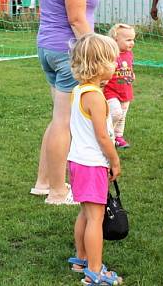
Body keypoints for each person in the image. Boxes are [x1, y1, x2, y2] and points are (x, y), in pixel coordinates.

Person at [32, 0, 112, 205]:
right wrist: (96, 55)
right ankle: (57, 191)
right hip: (67, 52)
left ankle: (43, 182)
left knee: (58, 119)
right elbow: (77, 19)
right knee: (64, 122)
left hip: (48, 48)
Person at [65, 33, 124, 285]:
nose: (115, 65)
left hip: (77, 161)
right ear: (99, 64)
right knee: (96, 219)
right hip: (91, 164)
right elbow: (102, 135)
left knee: (86, 214)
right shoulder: (97, 97)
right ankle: (95, 271)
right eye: (112, 60)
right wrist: (115, 161)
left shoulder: (78, 91)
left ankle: (81, 258)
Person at [105, 23, 136, 149]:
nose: (132, 43)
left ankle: (118, 136)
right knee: (116, 113)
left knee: (122, 115)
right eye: (128, 40)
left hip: (125, 90)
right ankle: (106, 133)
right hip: (111, 90)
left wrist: (132, 74)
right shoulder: (109, 54)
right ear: (115, 39)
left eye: (133, 40)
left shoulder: (129, 54)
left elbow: (129, 66)